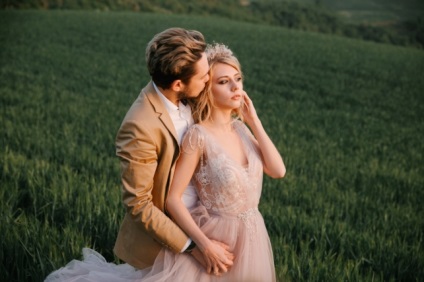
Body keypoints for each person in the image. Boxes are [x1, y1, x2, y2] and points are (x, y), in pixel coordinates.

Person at [45, 43, 286, 282]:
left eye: (238, 78)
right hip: (215, 236)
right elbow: (168, 198)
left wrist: (254, 121)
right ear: (206, 88)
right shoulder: (198, 136)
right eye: (223, 82)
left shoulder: (241, 129)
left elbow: (278, 170)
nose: (236, 87)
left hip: (253, 237)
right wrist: (202, 246)